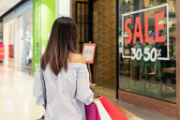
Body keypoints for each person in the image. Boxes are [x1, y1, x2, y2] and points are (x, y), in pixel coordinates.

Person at [33, 17, 96, 120]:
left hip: (52, 116)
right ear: (73, 35)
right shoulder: (79, 61)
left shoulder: (44, 60)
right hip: (75, 116)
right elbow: (83, 95)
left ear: (53, 35)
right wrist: (91, 95)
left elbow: (38, 91)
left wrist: (51, 108)